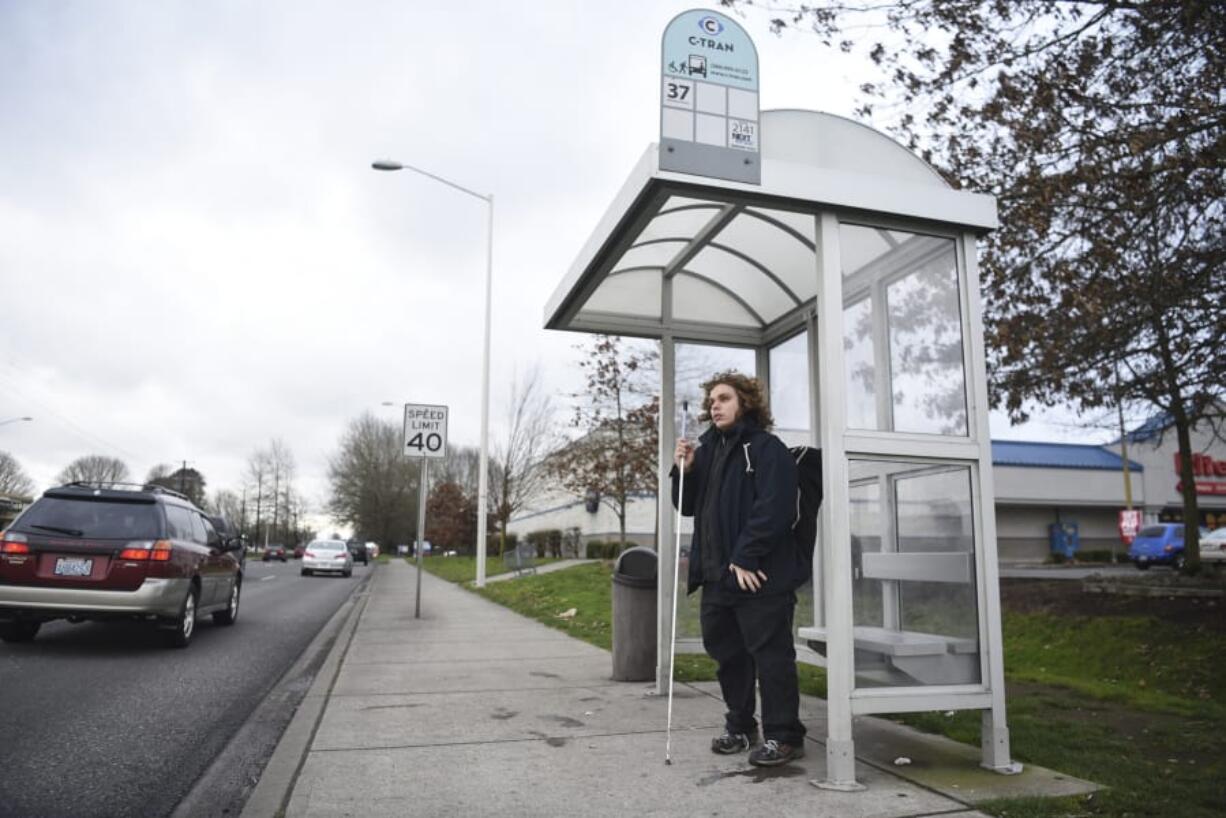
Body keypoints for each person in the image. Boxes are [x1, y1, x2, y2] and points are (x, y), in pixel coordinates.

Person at [671, 370, 807, 767]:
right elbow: (688, 506)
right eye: (712, 399)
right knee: (728, 655)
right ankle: (741, 728)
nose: (715, 405)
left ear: (745, 403)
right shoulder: (708, 450)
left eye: (724, 398)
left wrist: (746, 556)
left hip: (758, 575)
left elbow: (775, 507)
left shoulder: (766, 449)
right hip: (717, 576)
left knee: (771, 656)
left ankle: (784, 736)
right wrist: (687, 469)